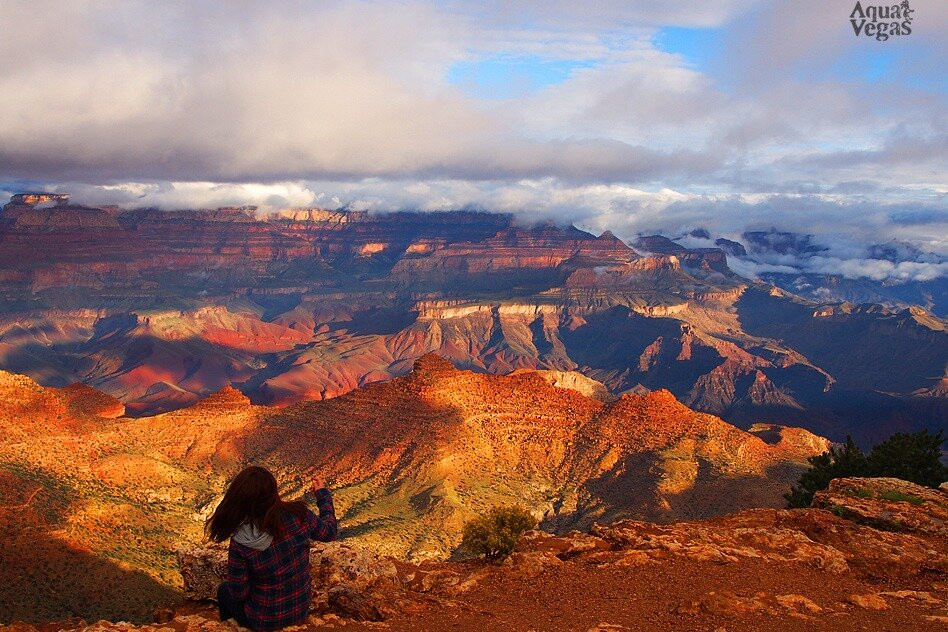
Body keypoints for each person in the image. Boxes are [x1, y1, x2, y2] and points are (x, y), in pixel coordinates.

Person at [205, 466, 337, 631]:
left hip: (262, 621)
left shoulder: (241, 541)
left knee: (224, 590)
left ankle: (228, 627)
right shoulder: (299, 515)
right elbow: (329, 532)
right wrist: (323, 496)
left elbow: (238, 593)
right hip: (299, 609)